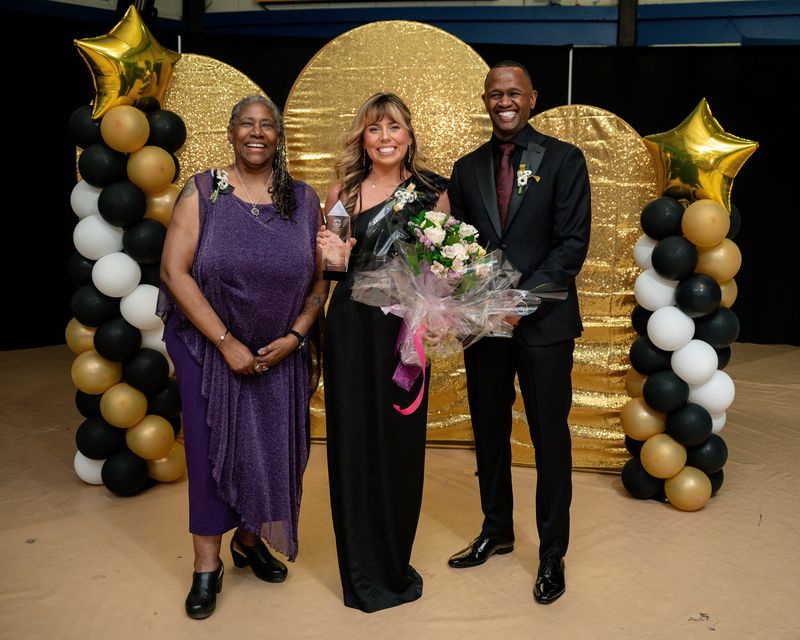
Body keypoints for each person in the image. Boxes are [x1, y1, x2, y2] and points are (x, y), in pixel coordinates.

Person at [159, 95, 327, 619]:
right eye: (247, 125)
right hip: (208, 347)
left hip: (281, 350)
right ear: (231, 133)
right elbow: (174, 271)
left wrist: (296, 336)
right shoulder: (203, 191)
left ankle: (249, 542)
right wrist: (226, 341)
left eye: (267, 125)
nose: (257, 133)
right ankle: (205, 567)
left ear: (279, 136)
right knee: (210, 452)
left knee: (274, 449)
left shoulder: (305, 200)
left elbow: (321, 282)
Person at [446, 61, 591, 605]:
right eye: (495, 94)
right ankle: (497, 529)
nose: (504, 102)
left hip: (544, 326)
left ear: (532, 98)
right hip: (484, 326)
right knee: (488, 429)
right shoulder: (466, 168)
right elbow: (457, 248)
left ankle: (552, 552)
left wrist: (519, 301)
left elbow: (572, 245)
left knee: (549, 436)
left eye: (514, 93)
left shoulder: (564, 160)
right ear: (485, 100)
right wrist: (477, 299)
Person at [318, 93, 449, 613]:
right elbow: (331, 271)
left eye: (394, 127)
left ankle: (393, 562)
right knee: (352, 441)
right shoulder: (344, 192)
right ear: (364, 139)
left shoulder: (433, 193)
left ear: (409, 135)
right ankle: (360, 571)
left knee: (400, 444)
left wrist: (436, 317)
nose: (385, 137)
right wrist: (331, 255)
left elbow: (443, 273)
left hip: (404, 334)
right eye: (374, 129)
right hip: (351, 330)